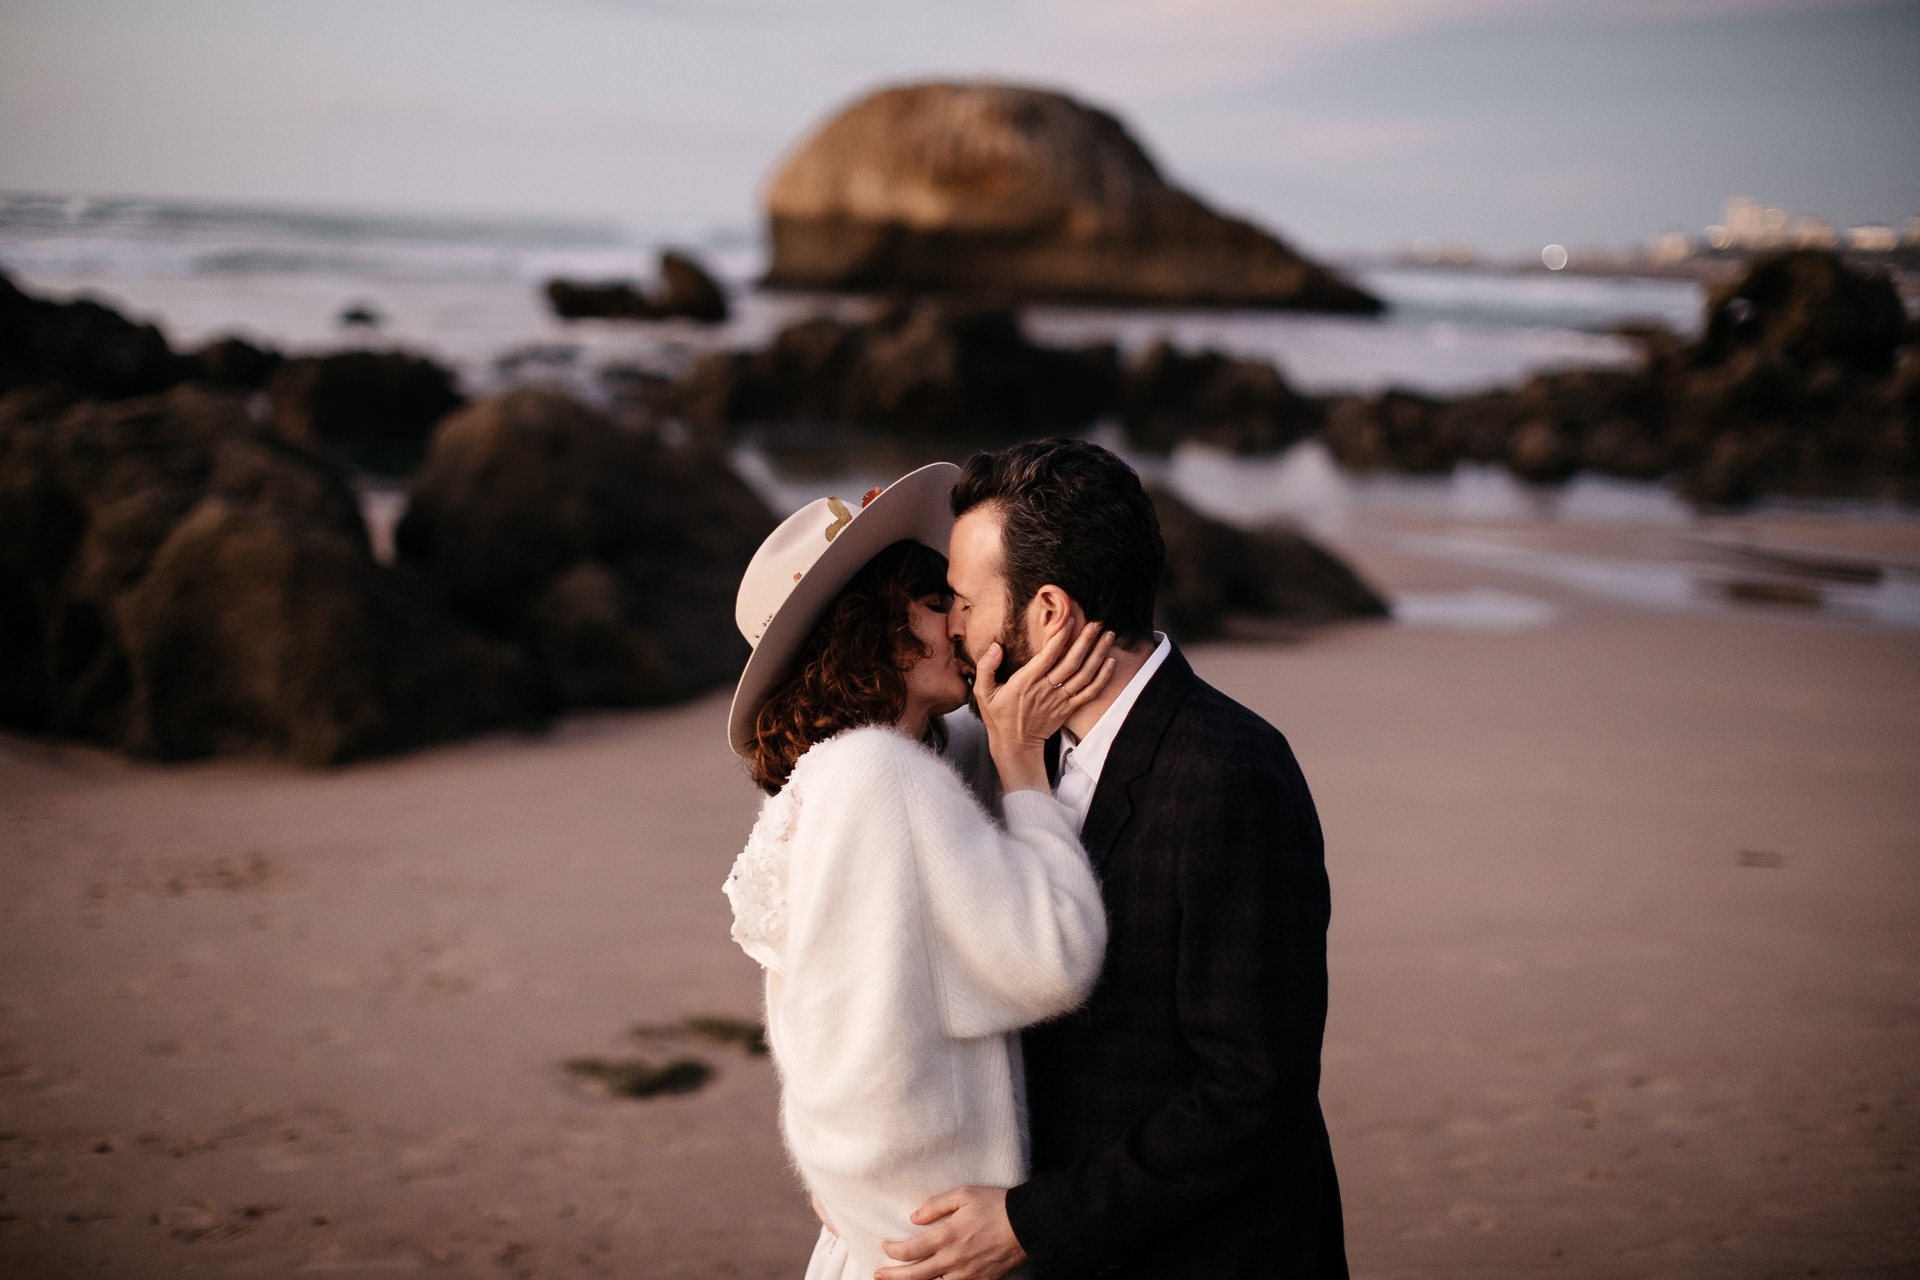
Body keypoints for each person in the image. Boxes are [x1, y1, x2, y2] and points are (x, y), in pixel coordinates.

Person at [879, 438, 1348, 1280]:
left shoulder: (1229, 774)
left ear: (1048, 612)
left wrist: (1031, 1222)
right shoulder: (1017, 748)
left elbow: (1252, 1092)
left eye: (962, 599)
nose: (952, 624)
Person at [720, 463, 1120, 1280]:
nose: (966, 625)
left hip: (881, 1230)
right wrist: (1022, 761)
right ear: (870, 628)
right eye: (938, 603)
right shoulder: (884, 776)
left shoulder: (852, 773)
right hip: (937, 1239)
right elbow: (1054, 957)